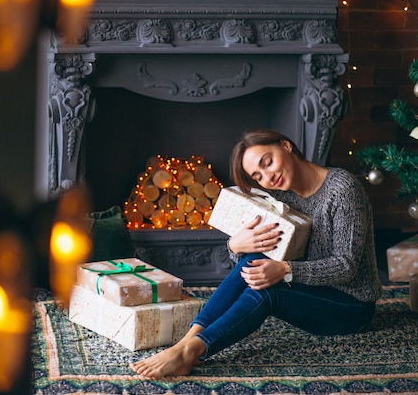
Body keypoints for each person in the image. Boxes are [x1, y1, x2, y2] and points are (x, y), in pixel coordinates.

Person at [129, 128, 382, 378]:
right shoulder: (278, 195)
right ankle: (186, 341)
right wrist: (236, 246)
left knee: (268, 292)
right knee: (253, 260)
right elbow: (256, 257)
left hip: (352, 306)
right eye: (258, 176)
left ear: (285, 145)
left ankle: (191, 352)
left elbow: (345, 266)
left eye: (268, 162)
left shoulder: (343, 189)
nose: (268, 177)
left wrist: (286, 269)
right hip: (311, 290)